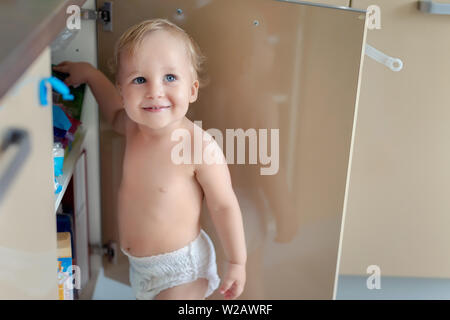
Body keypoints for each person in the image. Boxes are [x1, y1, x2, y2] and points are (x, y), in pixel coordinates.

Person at [53, 18, 246, 300]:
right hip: (140, 269)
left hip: (182, 271)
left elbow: (224, 205)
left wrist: (237, 261)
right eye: (139, 80)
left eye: (170, 78)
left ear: (192, 90)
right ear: (122, 89)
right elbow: (113, 111)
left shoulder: (199, 146)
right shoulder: (133, 127)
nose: (154, 91)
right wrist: (92, 75)